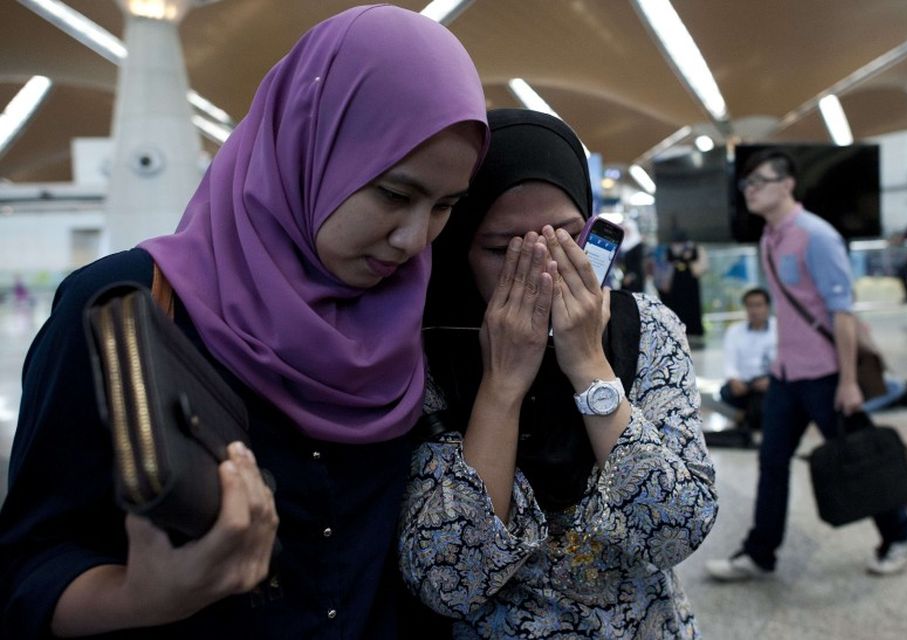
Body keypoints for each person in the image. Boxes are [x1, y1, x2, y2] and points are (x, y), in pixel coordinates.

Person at [0, 6, 488, 638]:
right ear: (307, 145)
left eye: (444, 205)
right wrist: (141, 598)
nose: (412, 237)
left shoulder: (420, 316)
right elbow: (28, 568)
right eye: (393, 194)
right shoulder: (123, 306)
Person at [398, 109, 718, 638]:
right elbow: (447, 580)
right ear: (456, 249)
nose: (545, 272)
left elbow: (676, 533)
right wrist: (501, 386)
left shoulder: (647, 329)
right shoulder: (427, 349)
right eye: (505, 251)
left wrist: (589, 366)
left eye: (568, 238)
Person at [706, 149, 907, 582]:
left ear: (787, 185)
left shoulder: (816, 235)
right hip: (786, 376)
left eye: (760, 181)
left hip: (828, 376)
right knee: (773, 462)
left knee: (859, 457)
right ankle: (760, 553)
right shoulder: (768, 239)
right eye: (747, 184)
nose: (751, 190)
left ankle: (899, 534)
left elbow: (841, 312)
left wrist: (850, 380)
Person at [719, 287, 777, 433]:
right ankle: (755, 415)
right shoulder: (735, 331)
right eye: (750, 305)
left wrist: (772, 379)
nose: (754, 310)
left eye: (758, 305)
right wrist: (734, 380)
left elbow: (786, 361)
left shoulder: (779, 329)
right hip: (745, 385)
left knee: (774, 393)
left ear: (767, 307)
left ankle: (746, 416)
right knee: (726, 392)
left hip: (769, 381)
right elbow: (729, 362)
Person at [656, 229, 708, 347]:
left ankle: (694, 334)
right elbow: (663, 265)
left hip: (690, 284)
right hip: (674, 284)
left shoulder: (694, 248)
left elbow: (700, 267)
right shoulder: (668, 249)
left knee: (692, 309)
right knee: (676, 309)